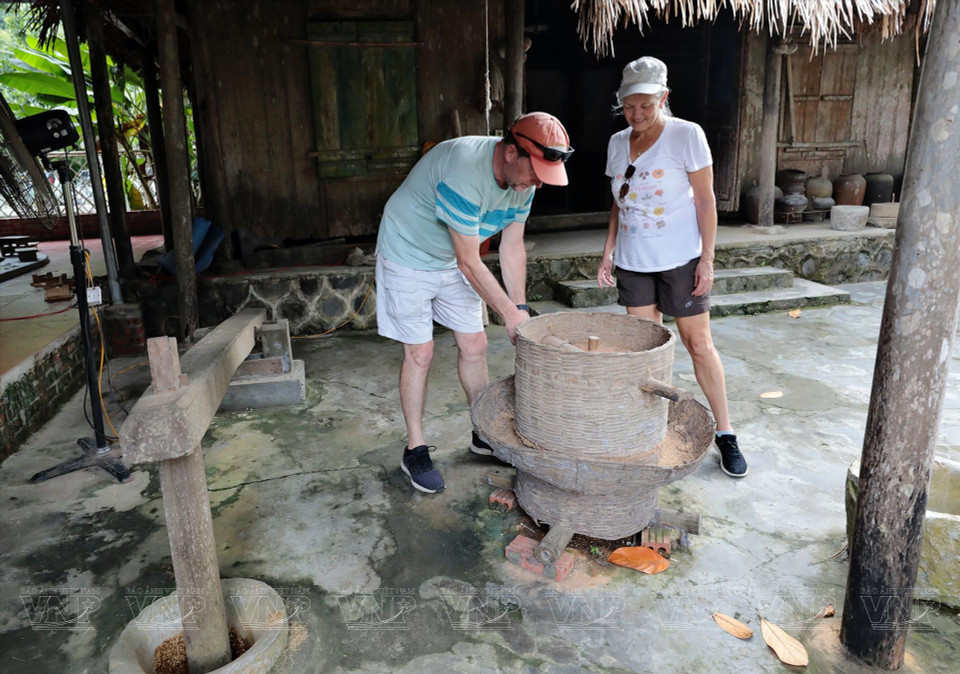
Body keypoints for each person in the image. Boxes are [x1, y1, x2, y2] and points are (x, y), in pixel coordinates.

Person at [376, 112, 573, 493]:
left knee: (475, 343)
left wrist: (520, 308)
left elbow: (512, 247)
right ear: (512, 152)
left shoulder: (525, 183)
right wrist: (507, 315)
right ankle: (414, 449)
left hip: (452, 258)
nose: (538, 184)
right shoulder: (466, 171)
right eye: (536, 174)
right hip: (407, 253)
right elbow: (470, 260)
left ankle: (483, 432)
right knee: (420, 352)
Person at [596, 57, 748, 478]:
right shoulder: (616, 143)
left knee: (698, 344)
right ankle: (649, 432)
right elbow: (618, 202)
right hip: (633, 263)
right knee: (648, 353)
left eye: (646, 104)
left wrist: (707, 259)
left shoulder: (686, 136)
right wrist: (608, 249)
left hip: (681, 260)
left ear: (663, 97)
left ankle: (726, 433)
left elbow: (705, 200)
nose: (637, 114)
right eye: (629, 106)